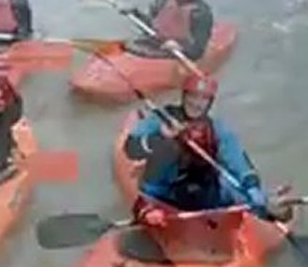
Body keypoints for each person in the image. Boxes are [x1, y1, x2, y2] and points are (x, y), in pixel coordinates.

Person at [123, 75, 292, 225]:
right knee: (169, 148)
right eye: (192, 96)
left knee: (246, 196)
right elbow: (131, 149)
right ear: (184, 96)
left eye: (203, 99)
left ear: (210, 103)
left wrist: (253, 187)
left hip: (205, 190)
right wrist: (160, 136)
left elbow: (237, 159)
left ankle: (272, 208)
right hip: (165, 192)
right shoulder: (162, 118)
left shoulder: (216, 128)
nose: (196, 103)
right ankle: (150, 213)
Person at [123, 0, 215, 61]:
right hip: (157, 45)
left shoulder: (201, 13)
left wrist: (180, 47)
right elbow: (149, 26)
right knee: (131, 44)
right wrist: (134, 13)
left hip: (178, 54)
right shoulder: (162, 2)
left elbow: (198, 50)